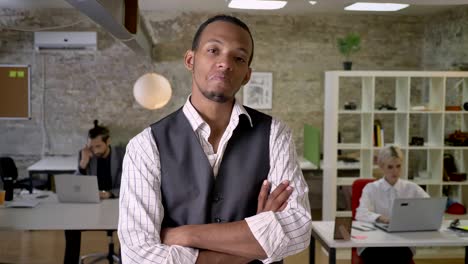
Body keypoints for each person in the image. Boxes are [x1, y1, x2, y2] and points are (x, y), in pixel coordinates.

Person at [118, 14, 312, 264]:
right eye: (213, 50)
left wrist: (184, 235)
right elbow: (138, 255)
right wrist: (253, 242)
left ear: (246, 75)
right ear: (191, 59)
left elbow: (298, 229)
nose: (225, 63)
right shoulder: (146, 145)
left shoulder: (275, 134)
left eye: (238, 58)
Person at [64, 120, 125, 264]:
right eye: (92, 147)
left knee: (129, 227)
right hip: (92, 206)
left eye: (98, 146)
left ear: (108, 141)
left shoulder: (122, 154)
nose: (95, 150)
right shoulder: (85, 155)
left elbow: (127, 184)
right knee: (70, 226)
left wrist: (109, 194)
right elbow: (76, 186)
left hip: (116, 205)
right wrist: (83, 164)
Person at [355, 145, 429, 264]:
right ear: (381, 167)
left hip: (402, 242)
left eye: (398, 166)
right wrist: (381, 218)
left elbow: (429, 206)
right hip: (373, 243)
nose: (395, 171)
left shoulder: (412, 188)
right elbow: (361, 213)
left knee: (398, 256)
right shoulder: (371, 189)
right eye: (390, 167)